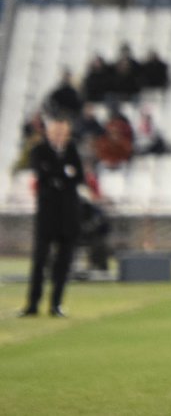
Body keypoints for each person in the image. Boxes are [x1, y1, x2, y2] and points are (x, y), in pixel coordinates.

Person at [21, 113, 86, 317]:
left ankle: (56, 304)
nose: (59, 135)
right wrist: (64, 174)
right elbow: (43, 175)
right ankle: (33, 304)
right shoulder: (39, 150)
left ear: (67, 133)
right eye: (56, 131)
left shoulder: (72, 150)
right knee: (40, 260)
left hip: (68, 216)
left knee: (63, 263)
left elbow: (79, 176)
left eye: (63, 132)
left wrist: (59, 177)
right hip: (47, 216)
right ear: (48, 132)